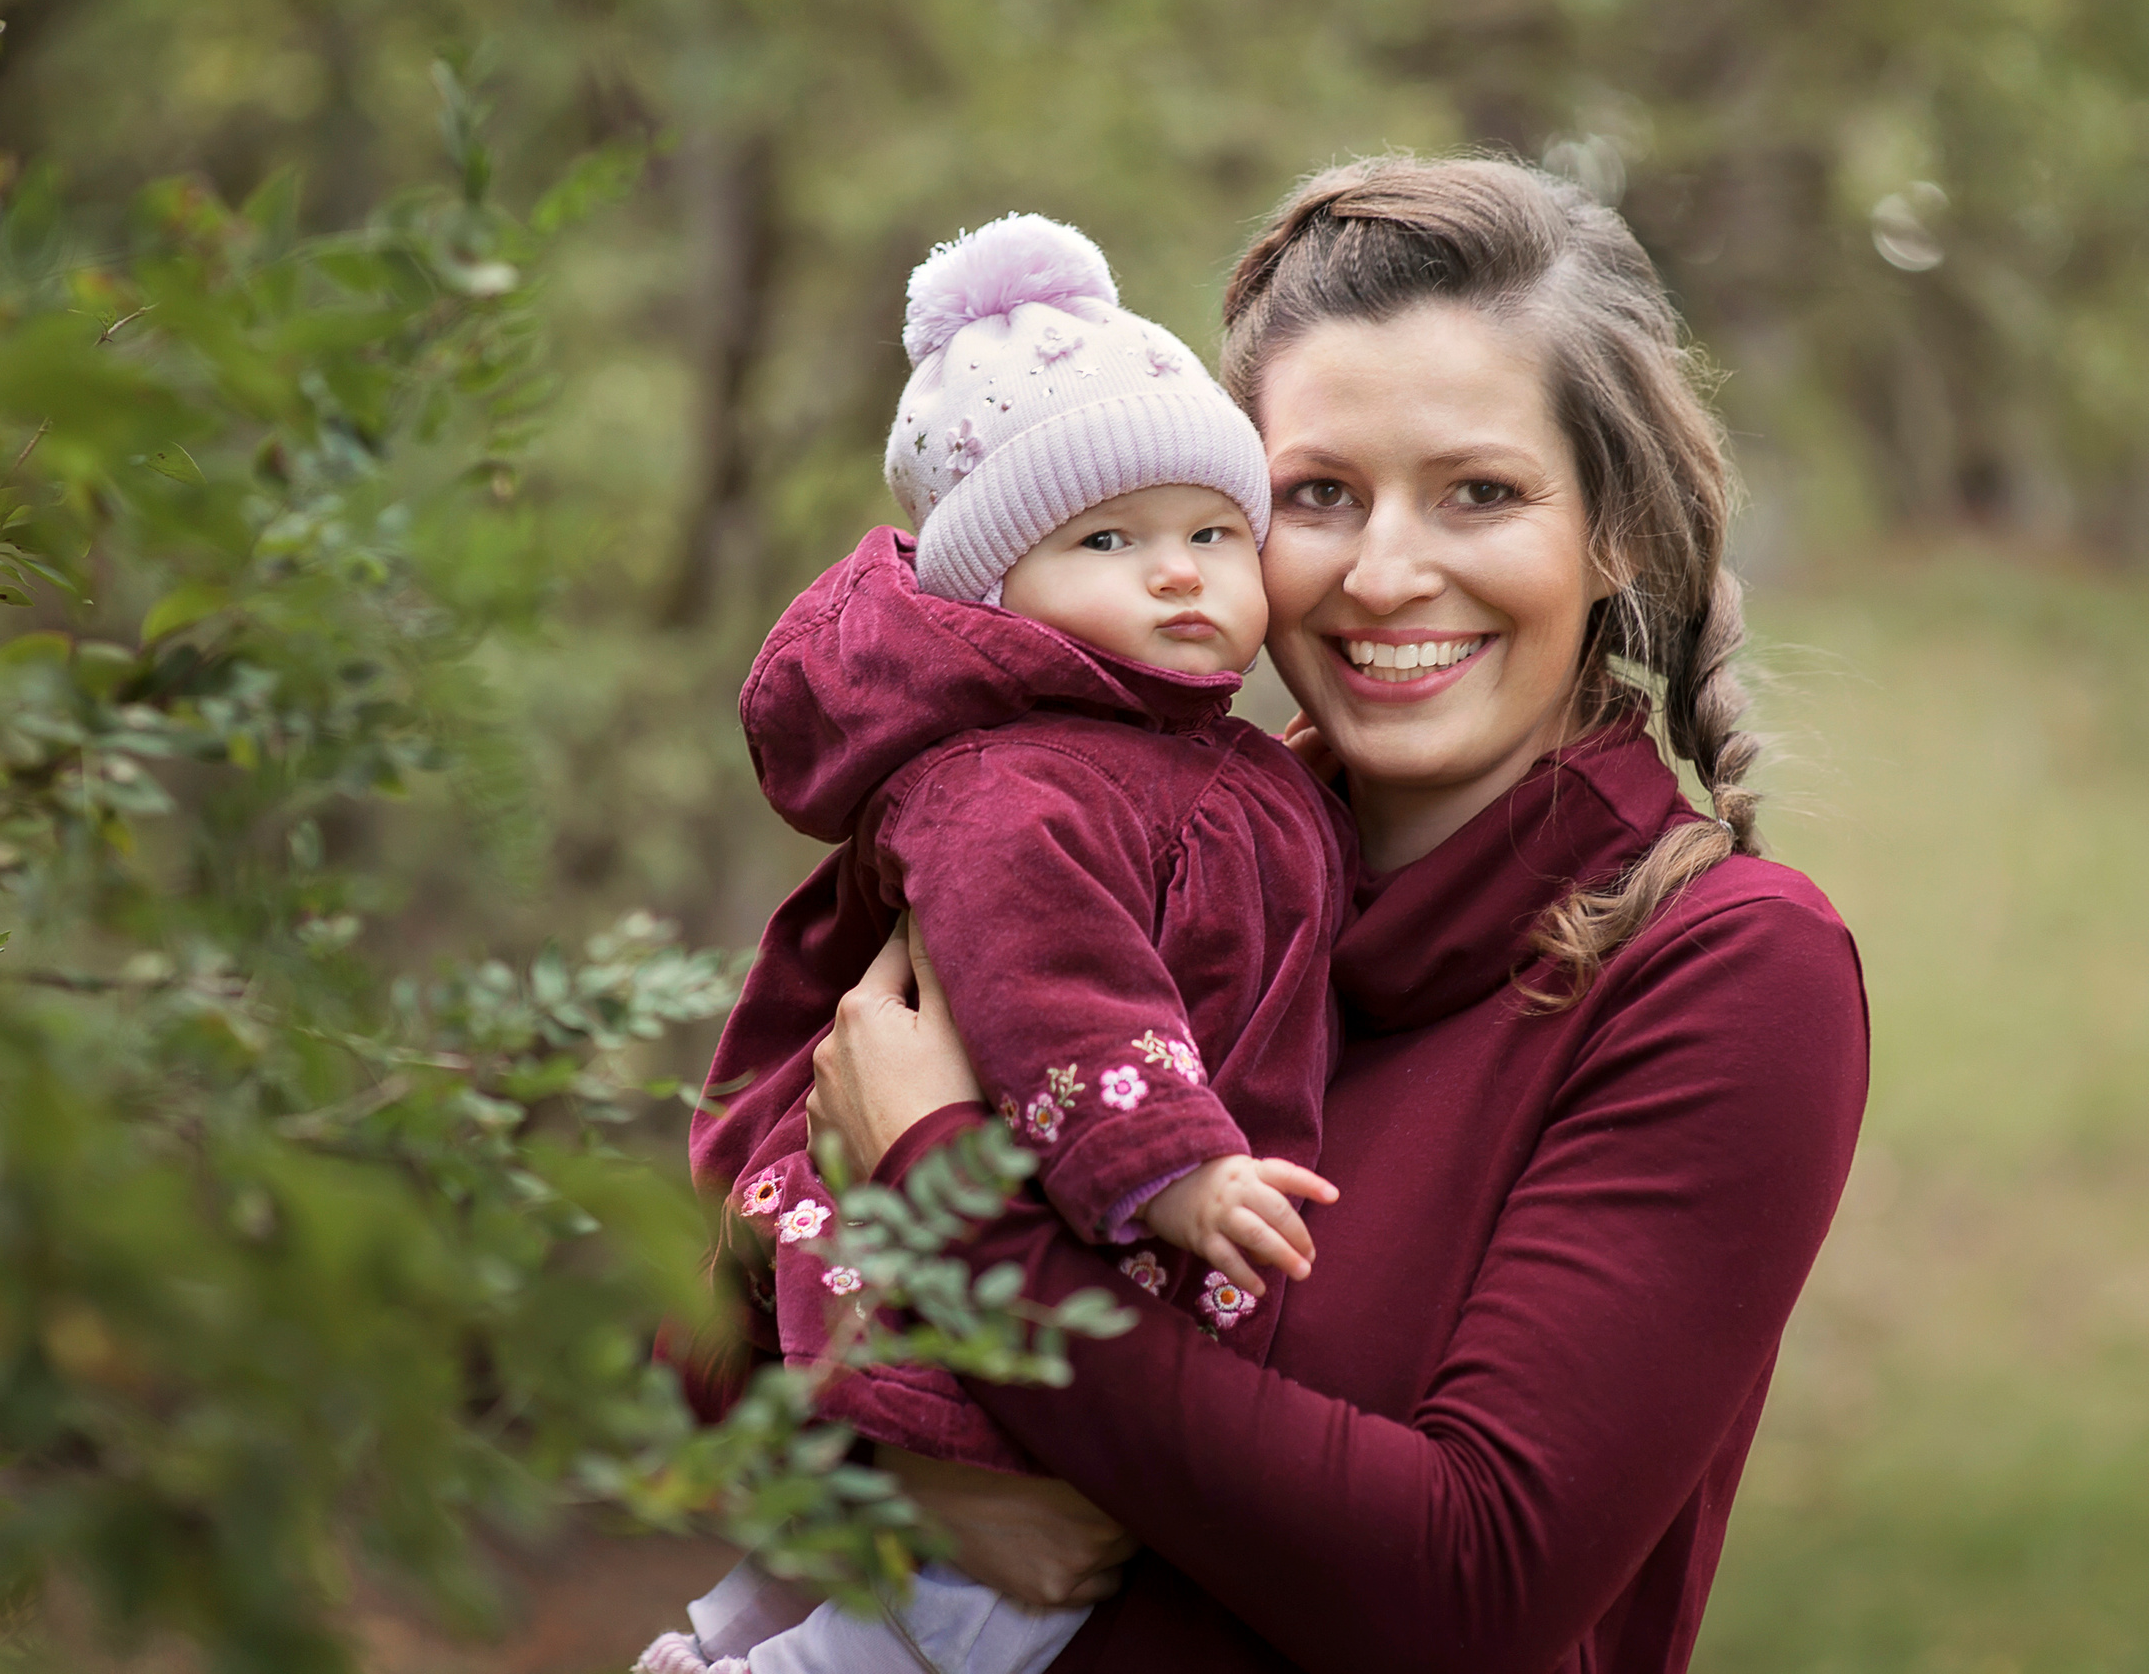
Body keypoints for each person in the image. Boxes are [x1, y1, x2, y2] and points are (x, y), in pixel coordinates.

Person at [800, 156, 1872, 1674]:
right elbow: (712, 1323)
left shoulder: (1731, 971)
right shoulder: (1097, 867)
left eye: (1480, 492)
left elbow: (1471, 1588)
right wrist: (898, 1481)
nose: (1383, 574)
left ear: (1614, 529)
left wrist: (953, 1204)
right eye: (1318, 496)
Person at [639, 215, 1352, 1674]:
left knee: (907, 1562)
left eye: (1213, 533)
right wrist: (1169, 1165)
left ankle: (724, 1643)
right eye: (1108, 541)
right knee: (989, 1613)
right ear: (995, 590)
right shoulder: (1014, 786)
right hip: (1004, 1246)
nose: (1178, 576)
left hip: (1017, 1249)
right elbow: (1054, 989)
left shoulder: (1181, 759)